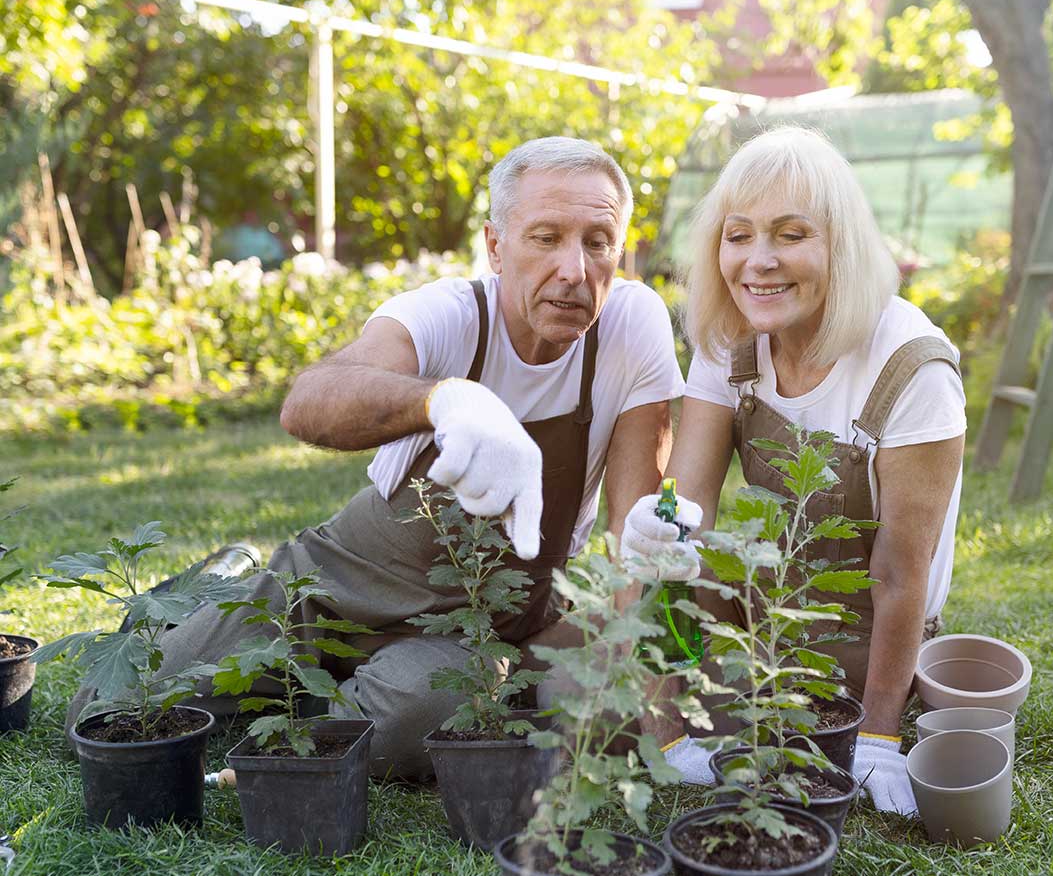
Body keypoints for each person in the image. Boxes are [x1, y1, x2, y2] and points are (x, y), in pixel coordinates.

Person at [69, 137, 691, 780]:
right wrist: (448, 399)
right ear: (496, 245)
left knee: (424, 716)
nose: (573, 268)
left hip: (475, 628)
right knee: (111, 714)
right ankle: (219, 588)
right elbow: (309, 401)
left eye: (597, 241)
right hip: (340, 583)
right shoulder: (449, 315)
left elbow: (632, 546)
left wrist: (665, 727)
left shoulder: (630, 328)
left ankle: (309, 708)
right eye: (545, 237)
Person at [621, 127, 966, 817]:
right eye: (739, 235)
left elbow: (902, 575)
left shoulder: (911, 366)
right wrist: (655, 529)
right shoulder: (731, 341)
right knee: (668, 565)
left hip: (869, 634)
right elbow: (686, 512)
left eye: (790, 234)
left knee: (804, 740)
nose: (758, 262)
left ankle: (845, 717)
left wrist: (875, 736)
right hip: (764, 611)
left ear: (840, 245)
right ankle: (677, 731)